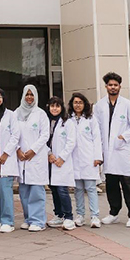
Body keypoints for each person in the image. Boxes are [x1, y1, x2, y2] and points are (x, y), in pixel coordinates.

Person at [93, 72, 130, 228]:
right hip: (107, 150)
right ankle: (113, 213)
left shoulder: (128, 105)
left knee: (128, 184)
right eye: (110, 85)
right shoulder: (99, 106)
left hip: (123, 149)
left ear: (120, 86)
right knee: (111, 184)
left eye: (115, 85)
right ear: (106, 87)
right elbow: (96, 129)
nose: (113, 87)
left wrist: (123, 137)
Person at [16, 85, 50, 232]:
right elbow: (12, 133)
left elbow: (45, 135)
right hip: (21, 157)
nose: (29, 97)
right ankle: (28, 218)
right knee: (24, 191)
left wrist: (33, 150)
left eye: (32, 94)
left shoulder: (41, 114)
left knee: (36, 190)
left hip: (36, 157)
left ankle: (38, 221)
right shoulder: (16, 113)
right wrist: (17, 149)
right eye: (27, 94)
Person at [69, 92, 103, 228]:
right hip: (74, 159)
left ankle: (95, 216)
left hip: (89, 158)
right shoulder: (69, 119)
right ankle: (80, 215)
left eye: (80, 102)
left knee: (91, 188)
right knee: (77, 189)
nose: (78, 105)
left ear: (85, 104)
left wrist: (97, 157)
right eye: (75, 102)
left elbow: (97, 138)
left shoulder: (91, 119)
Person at [0, 88, 19, 233]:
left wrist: (6, 154)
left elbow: (15, 136)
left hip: (6, 159)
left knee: (5, 191)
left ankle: (8, 221)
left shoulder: (11, 115)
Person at [47, 96, 77, 231]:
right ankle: (58, 215)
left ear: (62, 108)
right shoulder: (46, 121)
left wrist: (62, 157)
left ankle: (68, 217)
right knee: (53, 189)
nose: (55, 109)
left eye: (57, 106)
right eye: (52, 106)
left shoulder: (68, 122)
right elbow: (43, 139)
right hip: (49, 160)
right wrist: (49, 154)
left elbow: (71, 142)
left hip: (62, 161)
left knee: (62, 190)